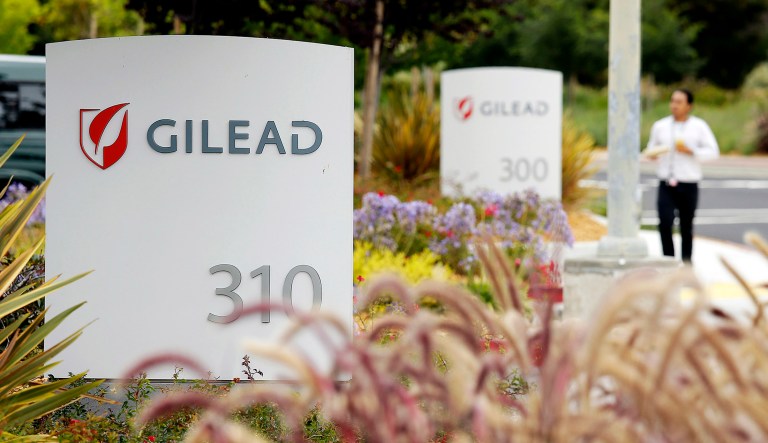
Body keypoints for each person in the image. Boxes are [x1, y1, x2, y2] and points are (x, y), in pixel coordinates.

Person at [645, 89, 719, 263]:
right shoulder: (660, 126)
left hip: (688, 182)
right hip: (666, 181)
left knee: (686, 226)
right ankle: (668, 261)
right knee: (664, 223)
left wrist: (691, 151)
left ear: (689, 106)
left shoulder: (699, 126)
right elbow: (650, 148)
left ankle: (686, 264)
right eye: (672, 101)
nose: (674, 105)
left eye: (679, 102)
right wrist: (652, 154)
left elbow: (713, 152)